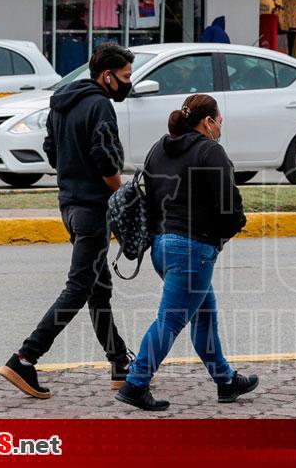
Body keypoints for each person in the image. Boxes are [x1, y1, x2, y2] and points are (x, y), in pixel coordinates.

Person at [0, 44, 136, 399]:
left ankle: (120, 362)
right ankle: (25, 358)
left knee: (97, 289)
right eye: (125, 77)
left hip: (69, 206)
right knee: (79, 288)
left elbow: (51, 152)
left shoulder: (62, 102)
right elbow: (107, 160)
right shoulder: (100, 105)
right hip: (93, 209)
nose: (128, 83)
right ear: (107, 76)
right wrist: (120, 194)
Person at [116, 94, 257, 411]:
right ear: (208, 122)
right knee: (170, 321)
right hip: (193, 249)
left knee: (204, 314)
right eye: (220, 122)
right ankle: (136, 384)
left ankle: (226, 380)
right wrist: (222, 235)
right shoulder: (211, 151)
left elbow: (150, 203)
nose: (221, 128)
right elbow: (231, 208)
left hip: (162, 247)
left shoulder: (157, 149)